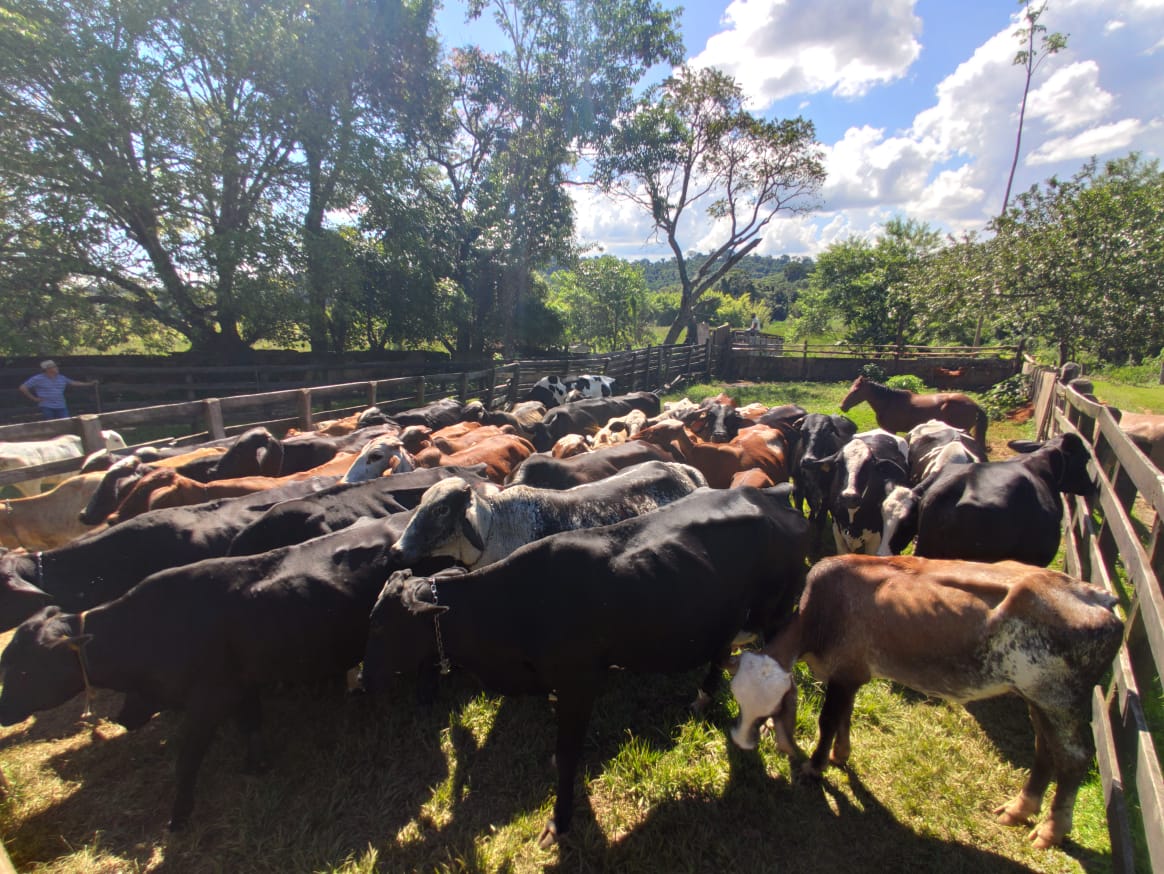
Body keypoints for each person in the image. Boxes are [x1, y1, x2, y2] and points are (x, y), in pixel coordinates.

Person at [19, 360, 97, 419]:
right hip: (47, 406)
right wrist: (34, 398)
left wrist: (89, 383)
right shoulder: (38, 379)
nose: (57, 368)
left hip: (61, 406)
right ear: (47, 369)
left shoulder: (61, 378)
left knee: (65, 423)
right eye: (54, 367)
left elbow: (74, 382)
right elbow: (23, 388)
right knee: (51, 425)